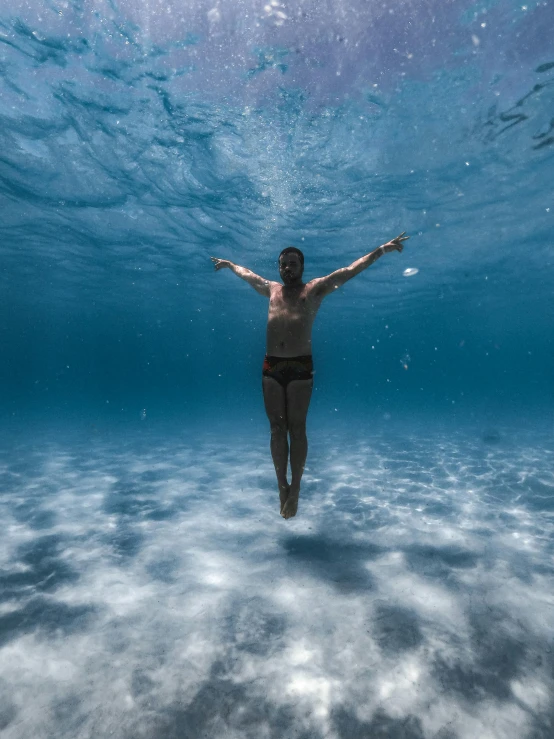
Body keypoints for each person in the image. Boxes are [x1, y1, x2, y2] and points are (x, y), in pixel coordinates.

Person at [211, 232, 409, 519]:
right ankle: (282, 486)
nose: (288, 269)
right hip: (271, 366)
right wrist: (230, 264)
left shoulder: (315, 290)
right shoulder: (271, 289)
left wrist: (381, 249)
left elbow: (350, 270)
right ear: (279, 267)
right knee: (277, 429)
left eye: (293, 264)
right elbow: (248, 274)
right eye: (283, 264)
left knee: (297, 428)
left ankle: (297, 488)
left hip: (301, 366)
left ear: (302, 267)